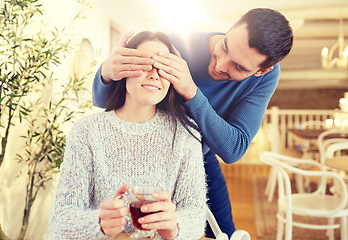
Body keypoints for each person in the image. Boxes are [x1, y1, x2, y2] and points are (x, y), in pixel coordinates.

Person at [92, 8, 293, 238]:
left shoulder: (267, 77)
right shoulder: (175, 44)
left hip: (200, 157)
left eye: (238, 67)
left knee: (223, 234)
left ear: (262, 70)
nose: (221, 65)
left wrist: (191, 92)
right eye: (224, 47)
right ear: (231, 28)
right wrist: (107, 72)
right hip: (147, 157)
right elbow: (104, 101)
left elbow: (233, 149)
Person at [49, 31, 207, 240]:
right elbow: (60, 221)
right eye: (143, 64)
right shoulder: (86, 131)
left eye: (163, 67)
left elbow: (196, 215)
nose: (154, 74)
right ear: (122, 68)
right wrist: (98, 223)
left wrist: (176, 227)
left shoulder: (186, 134)